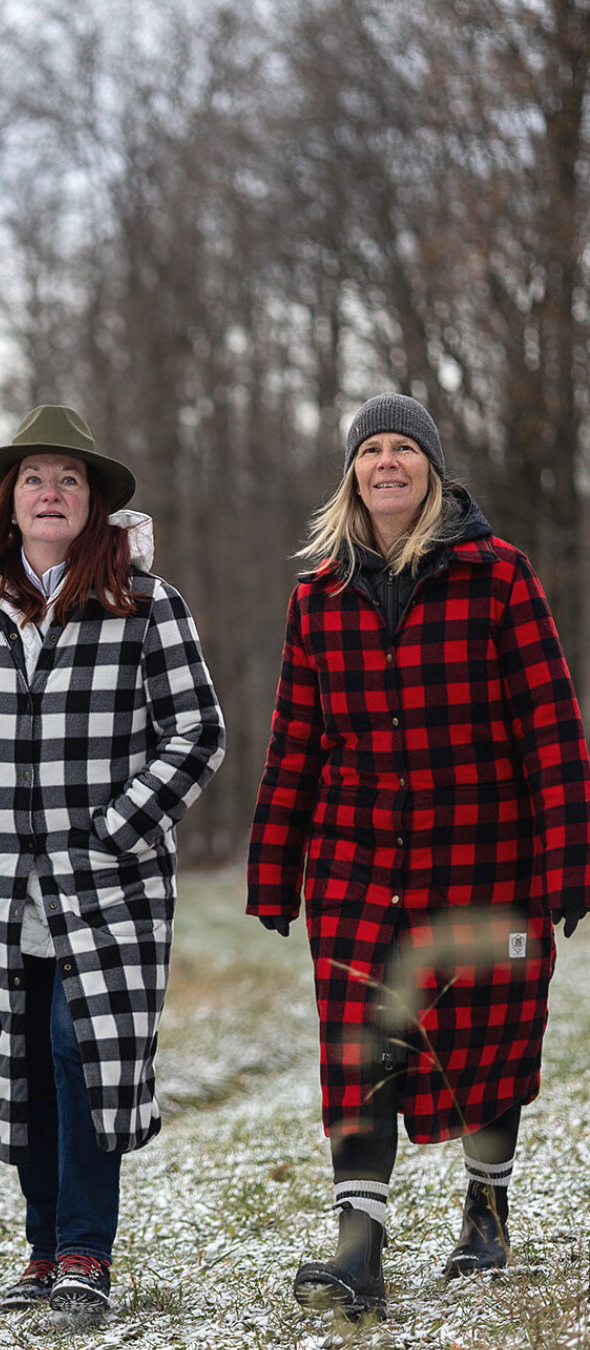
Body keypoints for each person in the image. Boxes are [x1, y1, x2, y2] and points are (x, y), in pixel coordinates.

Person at [247, 393, 590, 1320]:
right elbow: (295, 742)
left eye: (404, 449)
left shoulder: (497, 576)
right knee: (359, 1041)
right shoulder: (316, 594)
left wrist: (569, 857)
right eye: (371, 451)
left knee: (485, 1029)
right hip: (358, 856)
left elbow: (549, 724)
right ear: (352, 473)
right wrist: (274, 865)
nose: (386, 463)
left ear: (432, 469)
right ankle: (360, 1247)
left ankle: (486, 1210)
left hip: (482, 849)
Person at [0, 405, 224, 1323]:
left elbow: (196, 730)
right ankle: (44, 1249)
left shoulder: (145, 600)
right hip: (6, 885)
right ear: (12, 501)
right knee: (23, 1064)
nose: (51, 493)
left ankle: (88, 1251)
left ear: (94, 505)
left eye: (70, 480)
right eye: (36, 478)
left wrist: (119, 826)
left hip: (110, 883)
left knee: (82, 1048)